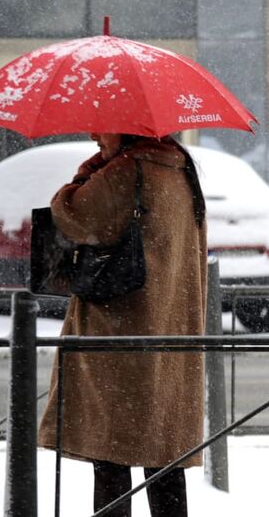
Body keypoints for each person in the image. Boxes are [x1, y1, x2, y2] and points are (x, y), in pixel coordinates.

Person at [38, 133, 207, 517]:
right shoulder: (180, 170)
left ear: (126, 126)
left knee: (110, 455)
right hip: (169, 335)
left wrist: (85, 174)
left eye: (101, 125)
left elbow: (70, 214)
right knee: (164, 459)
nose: (93, 134)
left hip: (118, 335)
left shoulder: (126, 171)